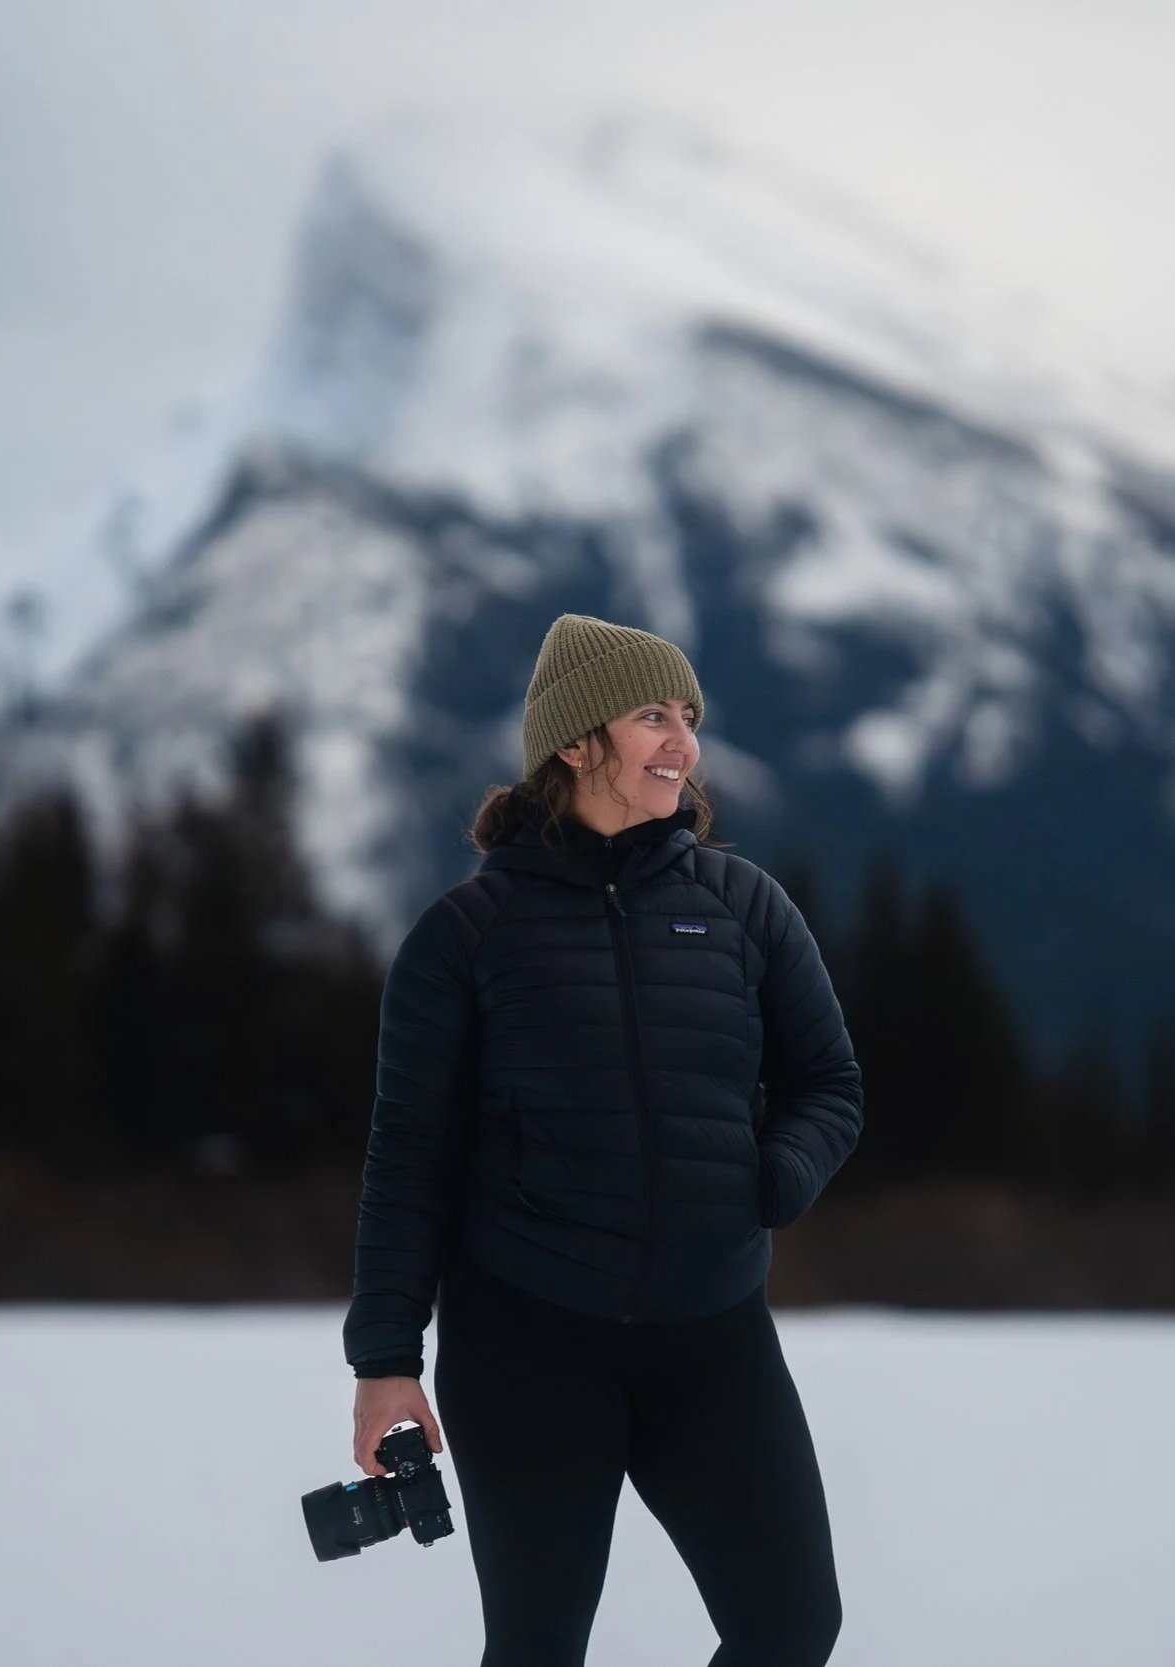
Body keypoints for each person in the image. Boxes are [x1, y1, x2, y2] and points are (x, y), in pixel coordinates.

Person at [343, 612, 864, 1666]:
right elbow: (409, 1151)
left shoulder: (743, 906)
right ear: (576, 742)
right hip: (526, 1346)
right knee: (538, 1648)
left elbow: (827, 1083)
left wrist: (775, 1174)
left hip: (712, 1342)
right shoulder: (466, 935)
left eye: (689, 717)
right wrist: (386, 1358)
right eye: (652, 716)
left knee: (791, 1625)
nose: (683, 741)